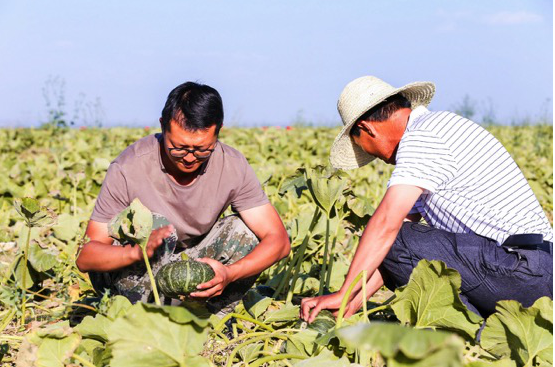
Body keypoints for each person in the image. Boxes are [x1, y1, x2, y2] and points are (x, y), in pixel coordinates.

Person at [301, 76, 553, 321]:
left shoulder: (423, 137)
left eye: (363, 147)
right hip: (528, 269)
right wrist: (354, 301)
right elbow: (396, 251)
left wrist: (343, 292)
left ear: (367, 129)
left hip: (525, 271)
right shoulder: (437, 128)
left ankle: (475, 334)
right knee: (399, 237)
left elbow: (388, 226)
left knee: (396, 233)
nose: (375, 158)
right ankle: (486, 327)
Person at [76, 82, 290, 314]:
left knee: (244, 230)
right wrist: (136, 251)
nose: (189, 158)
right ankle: (138, 318)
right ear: (162, 126)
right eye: (178, 148)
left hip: (195, 266)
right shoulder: (128, 167)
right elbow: (86, 257)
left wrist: (229, 274)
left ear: (218, 131)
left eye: (201, 150)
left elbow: (278, 241)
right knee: (141, 231)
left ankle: (213, 317)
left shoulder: (233, 165)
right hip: (139, 275)